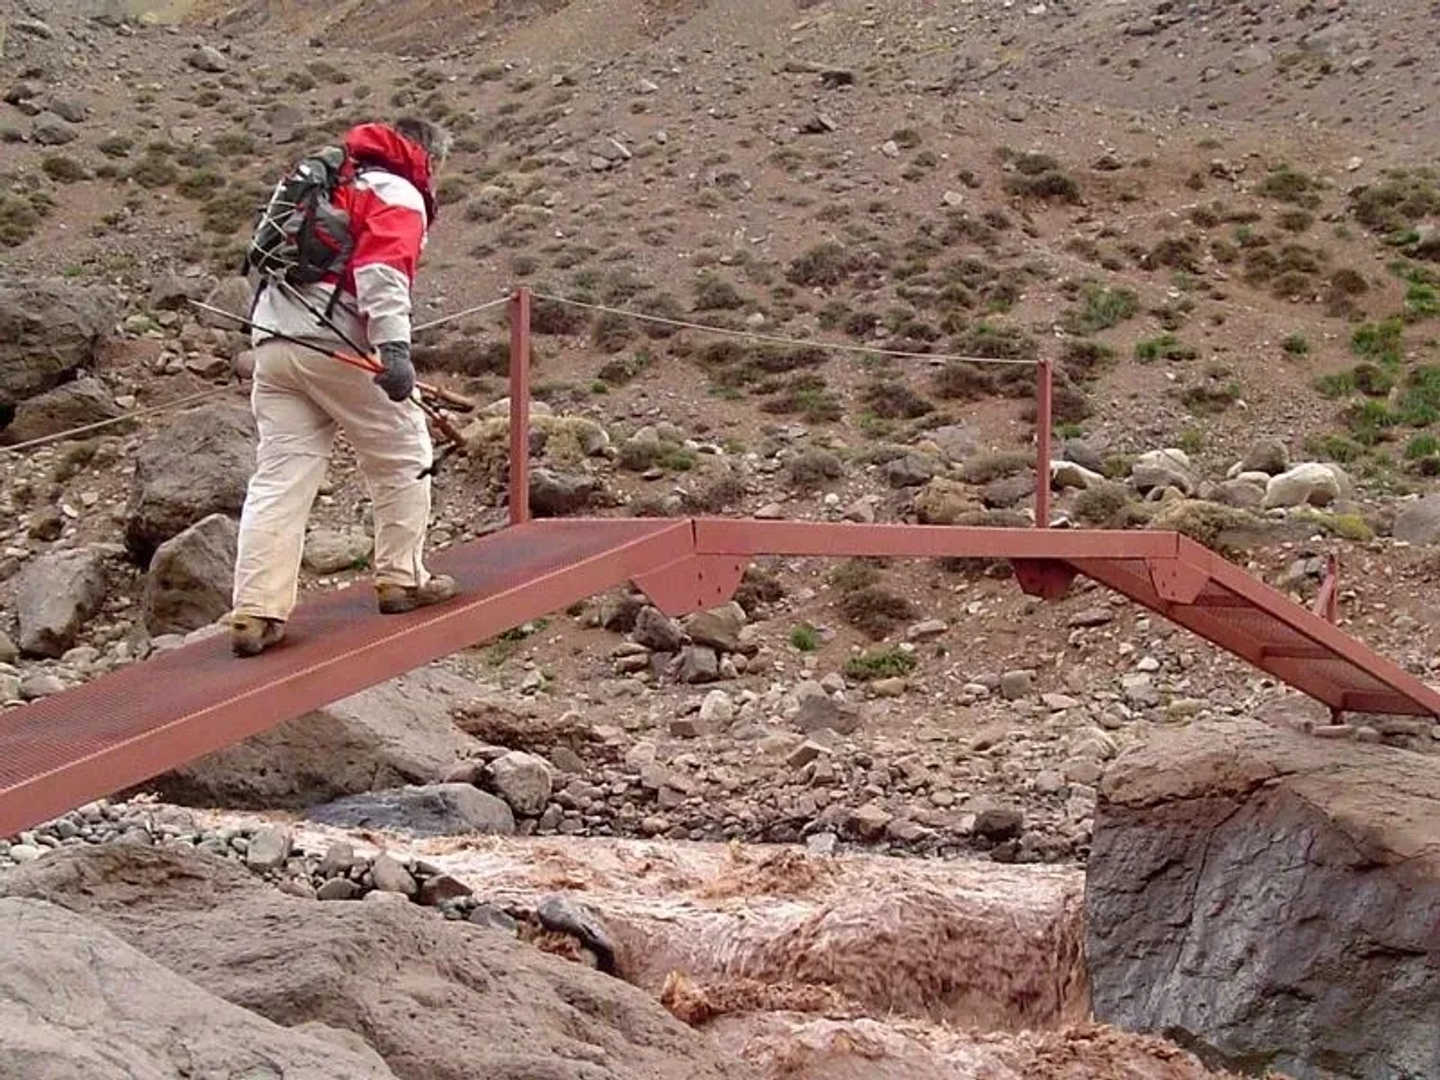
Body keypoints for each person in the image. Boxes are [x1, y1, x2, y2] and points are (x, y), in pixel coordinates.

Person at [229, 116, 458, 658]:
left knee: (280, 476)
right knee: (403, 451)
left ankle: (255, 609)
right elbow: (383, 272)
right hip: (335, 340)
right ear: (427, 156)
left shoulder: (324, 182)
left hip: (273, 342)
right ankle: (402, 578)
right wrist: (394, 350)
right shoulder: (396, 191)